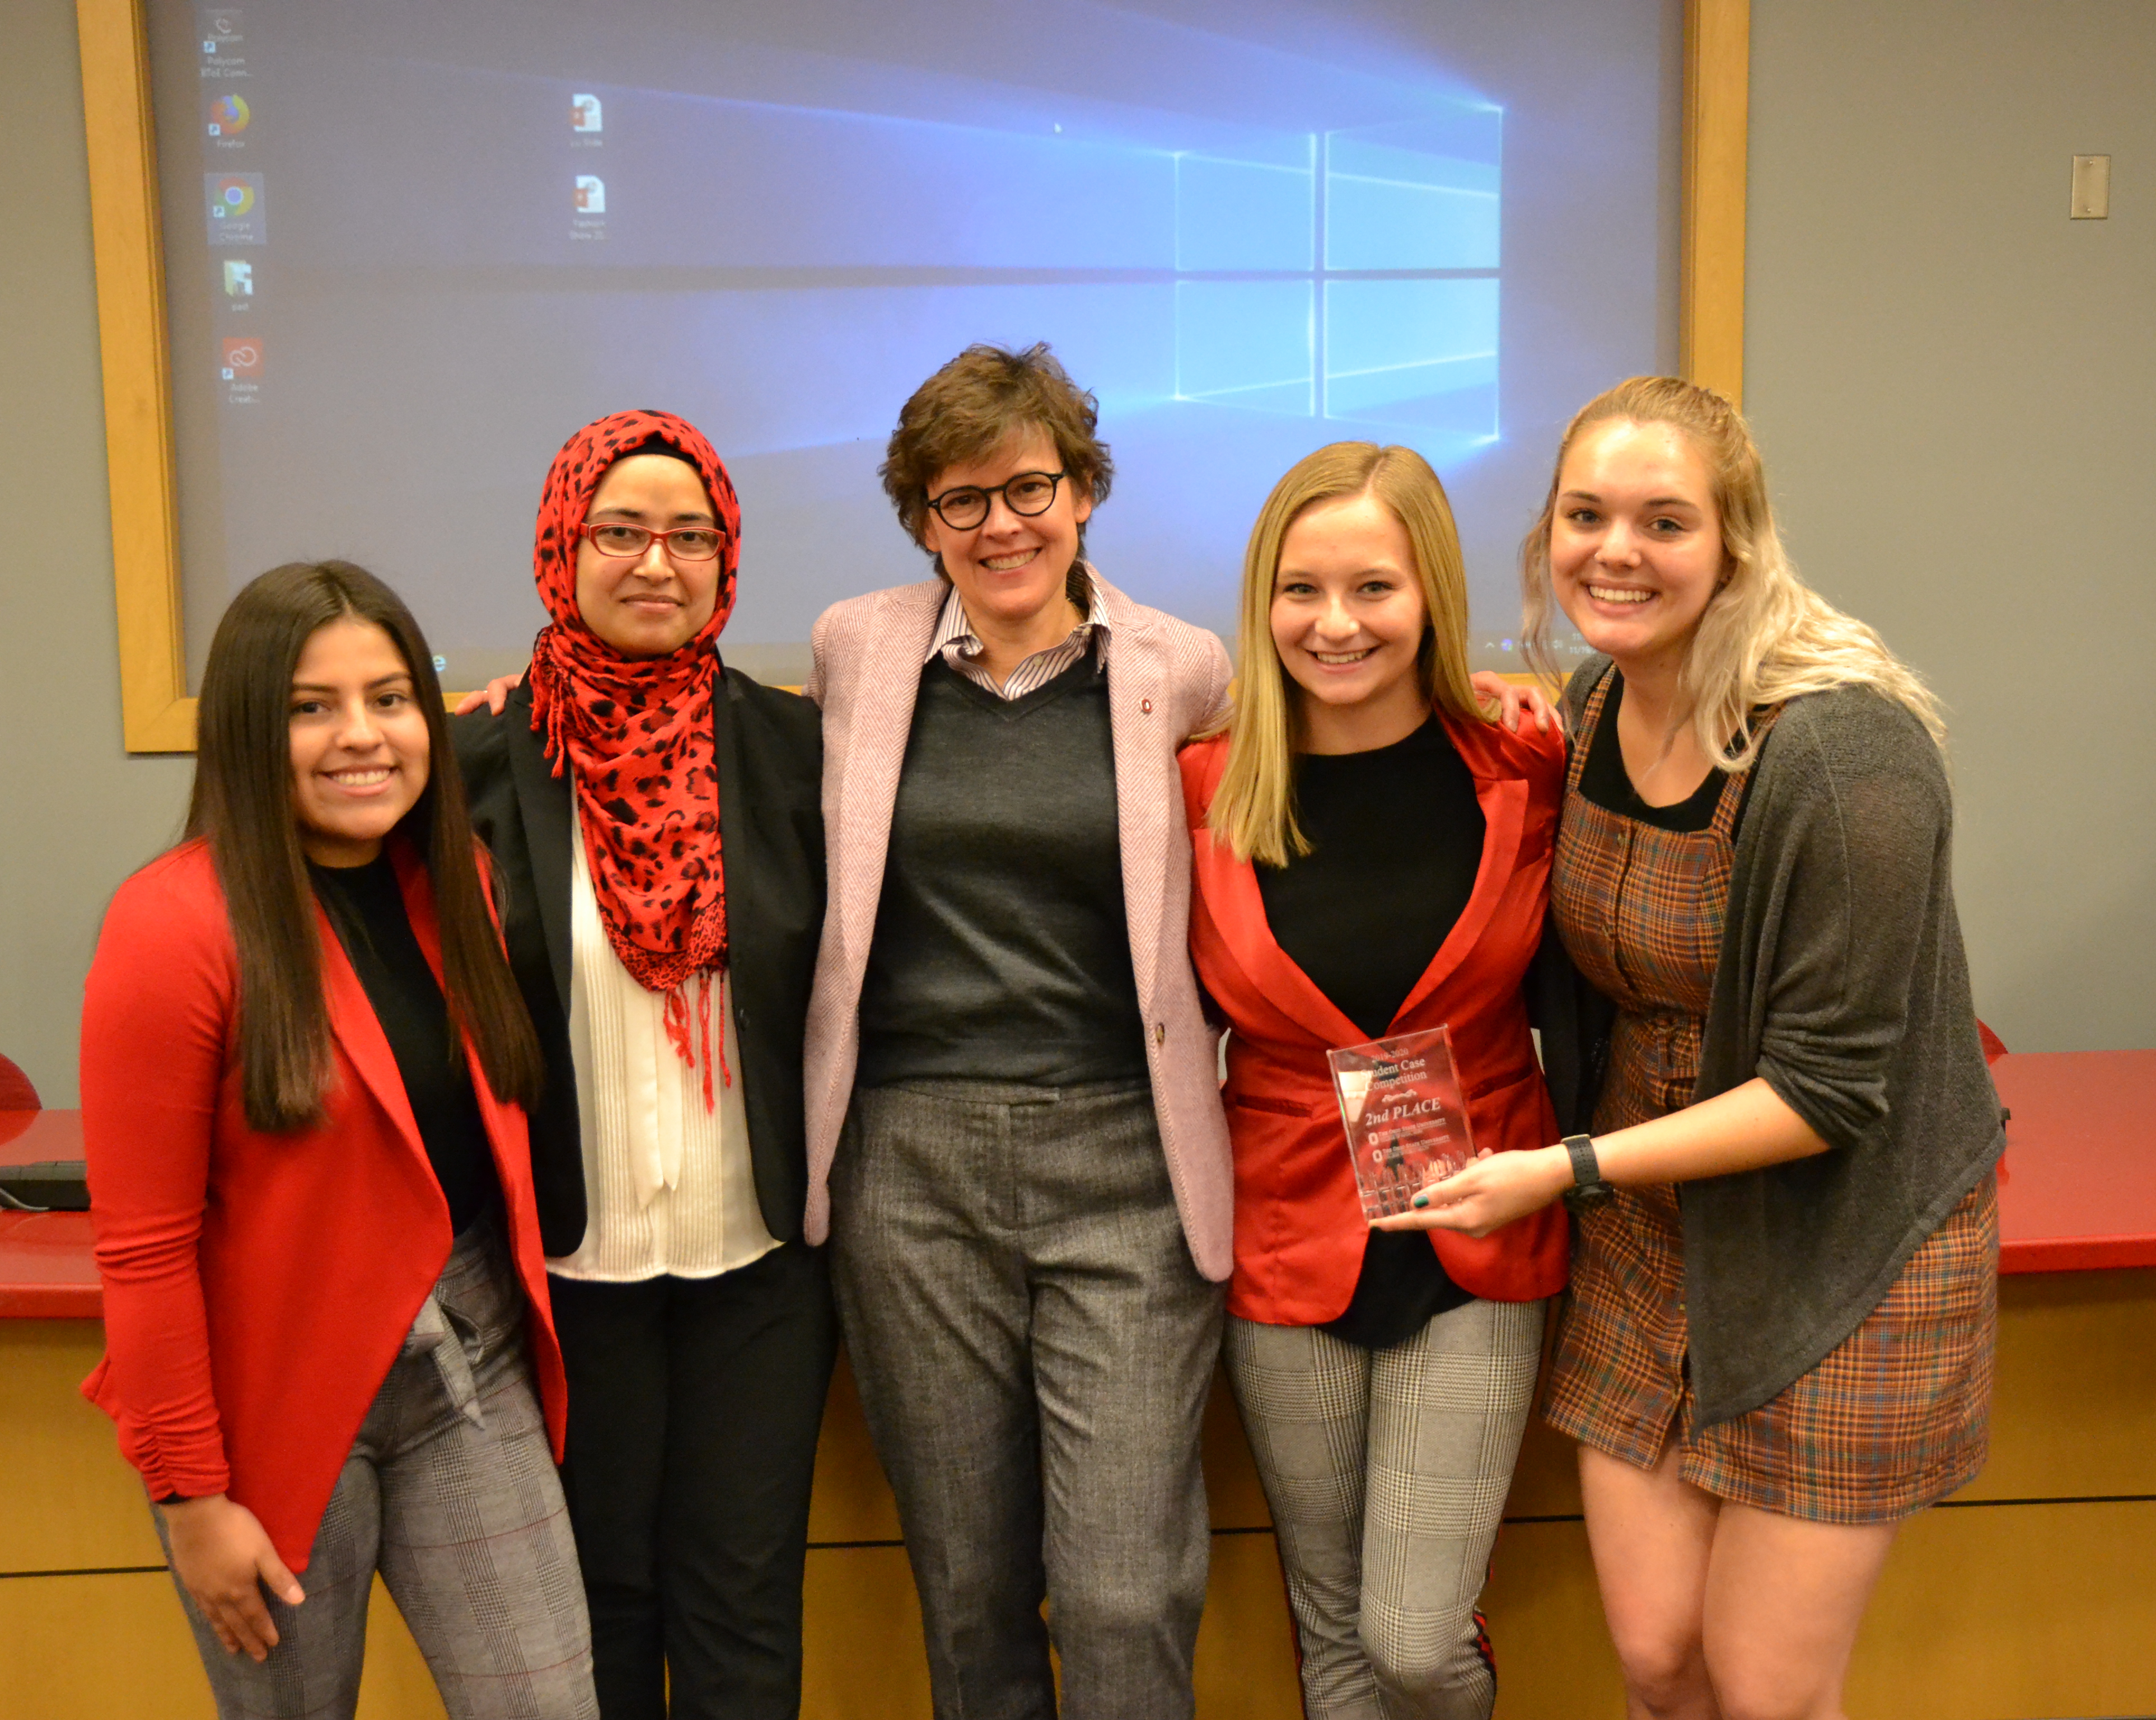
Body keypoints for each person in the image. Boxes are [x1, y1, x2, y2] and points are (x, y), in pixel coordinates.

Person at [1382, 377, 2002, 1720]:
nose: (1618, 549)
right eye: (1586, 514)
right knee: (1664, 1663)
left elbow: (1831, 1090)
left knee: (1768, 1693)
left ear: (1736, 540)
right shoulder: (1601, 704)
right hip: (1648, 1228)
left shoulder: (1844, 753)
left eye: (1665, 522)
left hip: (1837, 1244)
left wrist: (1559, 1169)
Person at [800, 343, 1232, 1720]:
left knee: (1124, 1587)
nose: (1001, 526)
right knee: (971, 1586)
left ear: (1087, 490)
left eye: (1030, 487)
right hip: (910, 1169)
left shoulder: (1183, 668)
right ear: (922, 519)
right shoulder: (855, 650)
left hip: (1126, 1159)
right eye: (960, 500)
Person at [81, 560, 595, 1718]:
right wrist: (192, 1502)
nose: (360, 737)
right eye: (312, 708)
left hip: (470, 1366)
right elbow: (144, 1254)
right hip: (272, 1404)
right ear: (250, 731)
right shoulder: (171, 925)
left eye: (390, 698)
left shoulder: (451, 876)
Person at [452, 412, 835, 1720]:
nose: (657, 562)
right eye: (621, 531)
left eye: (692, 535)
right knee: (597, 1601)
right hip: (568, 1266)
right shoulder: (474, 762)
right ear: (563, 548)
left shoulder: (797, 753)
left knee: (743, 1602)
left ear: (729, 561)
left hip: (763, 1265)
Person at [1179, 442, 1570, 1719]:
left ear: (1432, 596)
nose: (1334, 625)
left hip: (1481, 1221)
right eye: (1301, 591)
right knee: (1333, 1631)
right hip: (1284, 1236)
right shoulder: (1203, 787)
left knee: (1410, 1635)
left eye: (1373, 590)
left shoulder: (1527, 765)